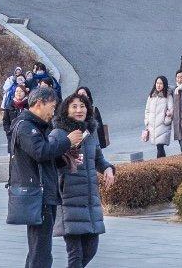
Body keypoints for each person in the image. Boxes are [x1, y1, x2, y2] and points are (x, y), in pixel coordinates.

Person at [9, 84, 83, 268]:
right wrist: (67, 141)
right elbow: (40, 152)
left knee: (40, 251)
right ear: (39, 104)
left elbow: (45, 158)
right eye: (51, 107)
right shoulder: (26, 126)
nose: (53, 113)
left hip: (44, 193)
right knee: (40, 252)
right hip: (37, 196)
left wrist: (65, 157)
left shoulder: (38, 126)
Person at [56, 89, 115, 268]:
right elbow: (49, 159)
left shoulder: (90, 134)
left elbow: (98, 158)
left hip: (90, 200)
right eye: (74, 106)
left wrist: (108, 169)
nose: (79, 110)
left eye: (82, 106)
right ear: (66, 110)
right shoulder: (59, 134)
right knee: (75, 255)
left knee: (91, 248)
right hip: (69, 200)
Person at [143, 75, 174, 158]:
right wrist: (147, 121)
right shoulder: (151, 96)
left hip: (162, 126)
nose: (158, 85)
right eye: (157, 83)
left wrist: (166, 120)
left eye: (161, 83)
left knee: (160, 147)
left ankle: (161, 165)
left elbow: (171, 110)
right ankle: (163, 165)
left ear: (164, 85)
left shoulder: (168, 96)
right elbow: (147, 110)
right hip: (152, 125)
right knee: (158, 147)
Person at [3, 66, 27, 139]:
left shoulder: (29, 106)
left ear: (25, 93)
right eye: (17, 91)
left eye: (21, 91)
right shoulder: (9, 106)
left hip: (26, 137)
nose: (18, 93)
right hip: (13, 137)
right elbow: (5, 122)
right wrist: (9, 132)